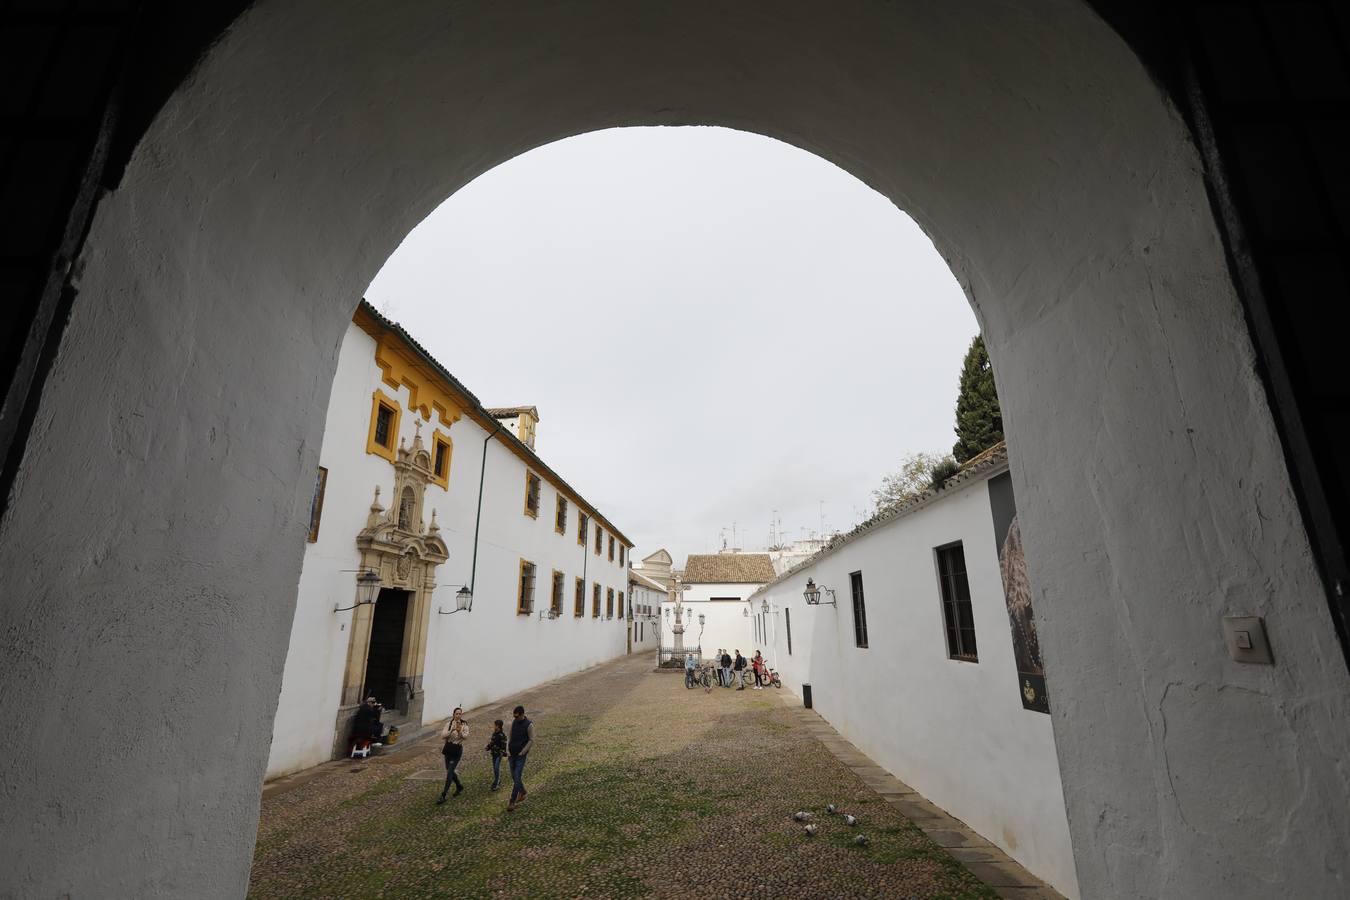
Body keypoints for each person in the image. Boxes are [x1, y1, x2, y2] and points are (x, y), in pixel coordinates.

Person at [436, 707, 468, 804]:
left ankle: (444, 794)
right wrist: (451, 730)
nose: (458, 715)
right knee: (449, 769)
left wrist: (459, 731)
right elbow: (442, 735)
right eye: (456, 713)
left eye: (460, 714)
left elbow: (466, 736)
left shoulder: (464, 724)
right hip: (449, 749)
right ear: (453, 714)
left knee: (449, 772)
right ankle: (459, 786)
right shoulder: (449, 724)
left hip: (457, 750)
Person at [507, 705, 535, 811]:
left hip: (520, 756)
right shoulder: (514, 722)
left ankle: (512, 801)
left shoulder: (529, 725)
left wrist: (523, 751)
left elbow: (532, 740)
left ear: (522, 714)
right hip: (511, 754)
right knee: (514, 777)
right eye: (514, 716)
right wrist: (507, 750)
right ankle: (522, 791)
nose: (515, 718)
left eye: (517, 716)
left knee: (517, 776)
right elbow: (510, 736)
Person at [484, 719, 507, 791]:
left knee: (496, 768)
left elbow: (504, 745)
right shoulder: (494, 734)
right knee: (495, 768)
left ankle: (496, 783)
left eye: (494, 725)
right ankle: (498, 780)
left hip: (498, 754)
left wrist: (502, 753)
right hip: (493, 753)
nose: (493, 726)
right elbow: (492, 742)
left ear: (498, 726)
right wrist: (488, 747)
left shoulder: (502, 735)